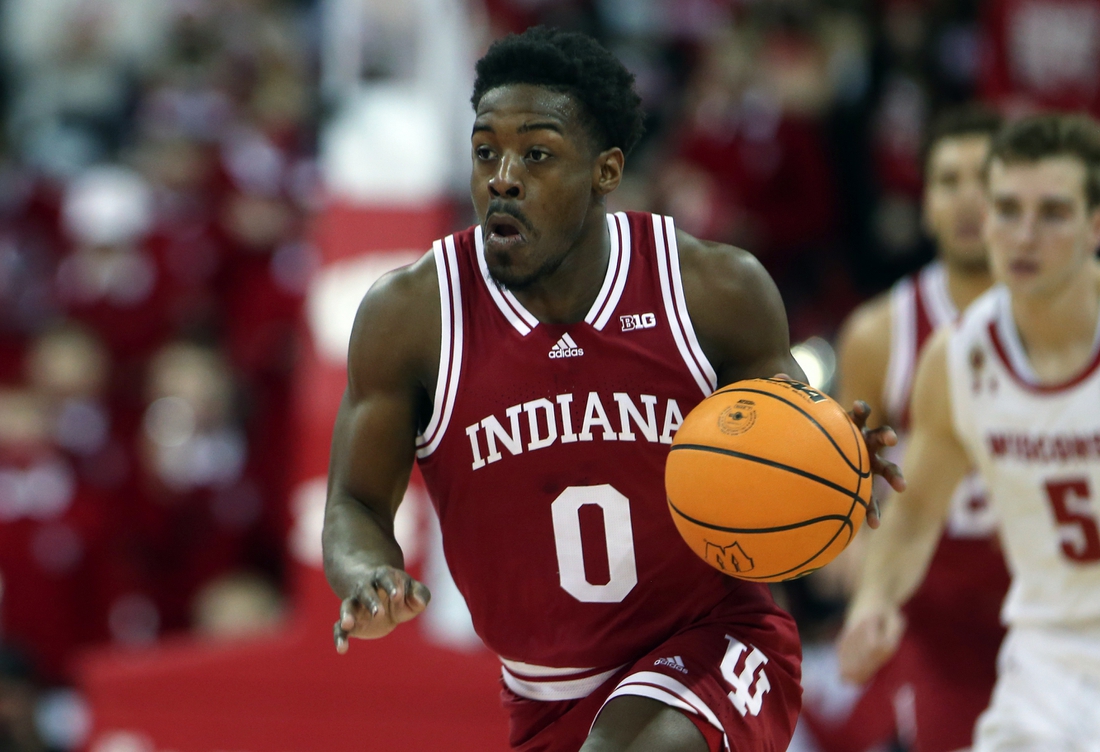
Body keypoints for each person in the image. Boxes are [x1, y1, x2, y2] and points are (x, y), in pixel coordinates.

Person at [322, 27, 901, 752]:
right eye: (485, 152)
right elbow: (353, 503)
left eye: (537, 154)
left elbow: (792, 447)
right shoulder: (412, 316)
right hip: (545, 692)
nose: (503, 175)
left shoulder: (711, 289)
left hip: (715, 640)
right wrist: (369, 574)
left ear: (605, 171)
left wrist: (835, 461)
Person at [839, 112, 1100, 748]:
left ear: (1096, 224)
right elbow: (917, 506)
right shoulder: (956, 358)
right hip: (1050, 651)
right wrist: (873, 598)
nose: (1024, 235)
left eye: (1054, 213)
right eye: (1007, 209)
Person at [822, 107, 1011, 752]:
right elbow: (846, 490)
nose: (968, 199)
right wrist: (854, 569)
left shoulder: (1071, 319)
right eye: (947, 181)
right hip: (935, 618)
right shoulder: (881, 334)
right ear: (924, 204)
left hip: (1056, 598)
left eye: (984, 179)